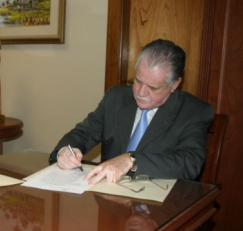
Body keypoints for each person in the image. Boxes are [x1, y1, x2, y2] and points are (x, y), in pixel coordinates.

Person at [50, 39, 214, 185]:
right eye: (138, 81)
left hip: (156, 206)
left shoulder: (194, 111)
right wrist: (65, 151)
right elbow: (84, 133)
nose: (141, 93)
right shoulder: (115, 97)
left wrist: (132, 160)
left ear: (174, 85)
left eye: (153, 87)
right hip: (108, 196)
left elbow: (189, 163)